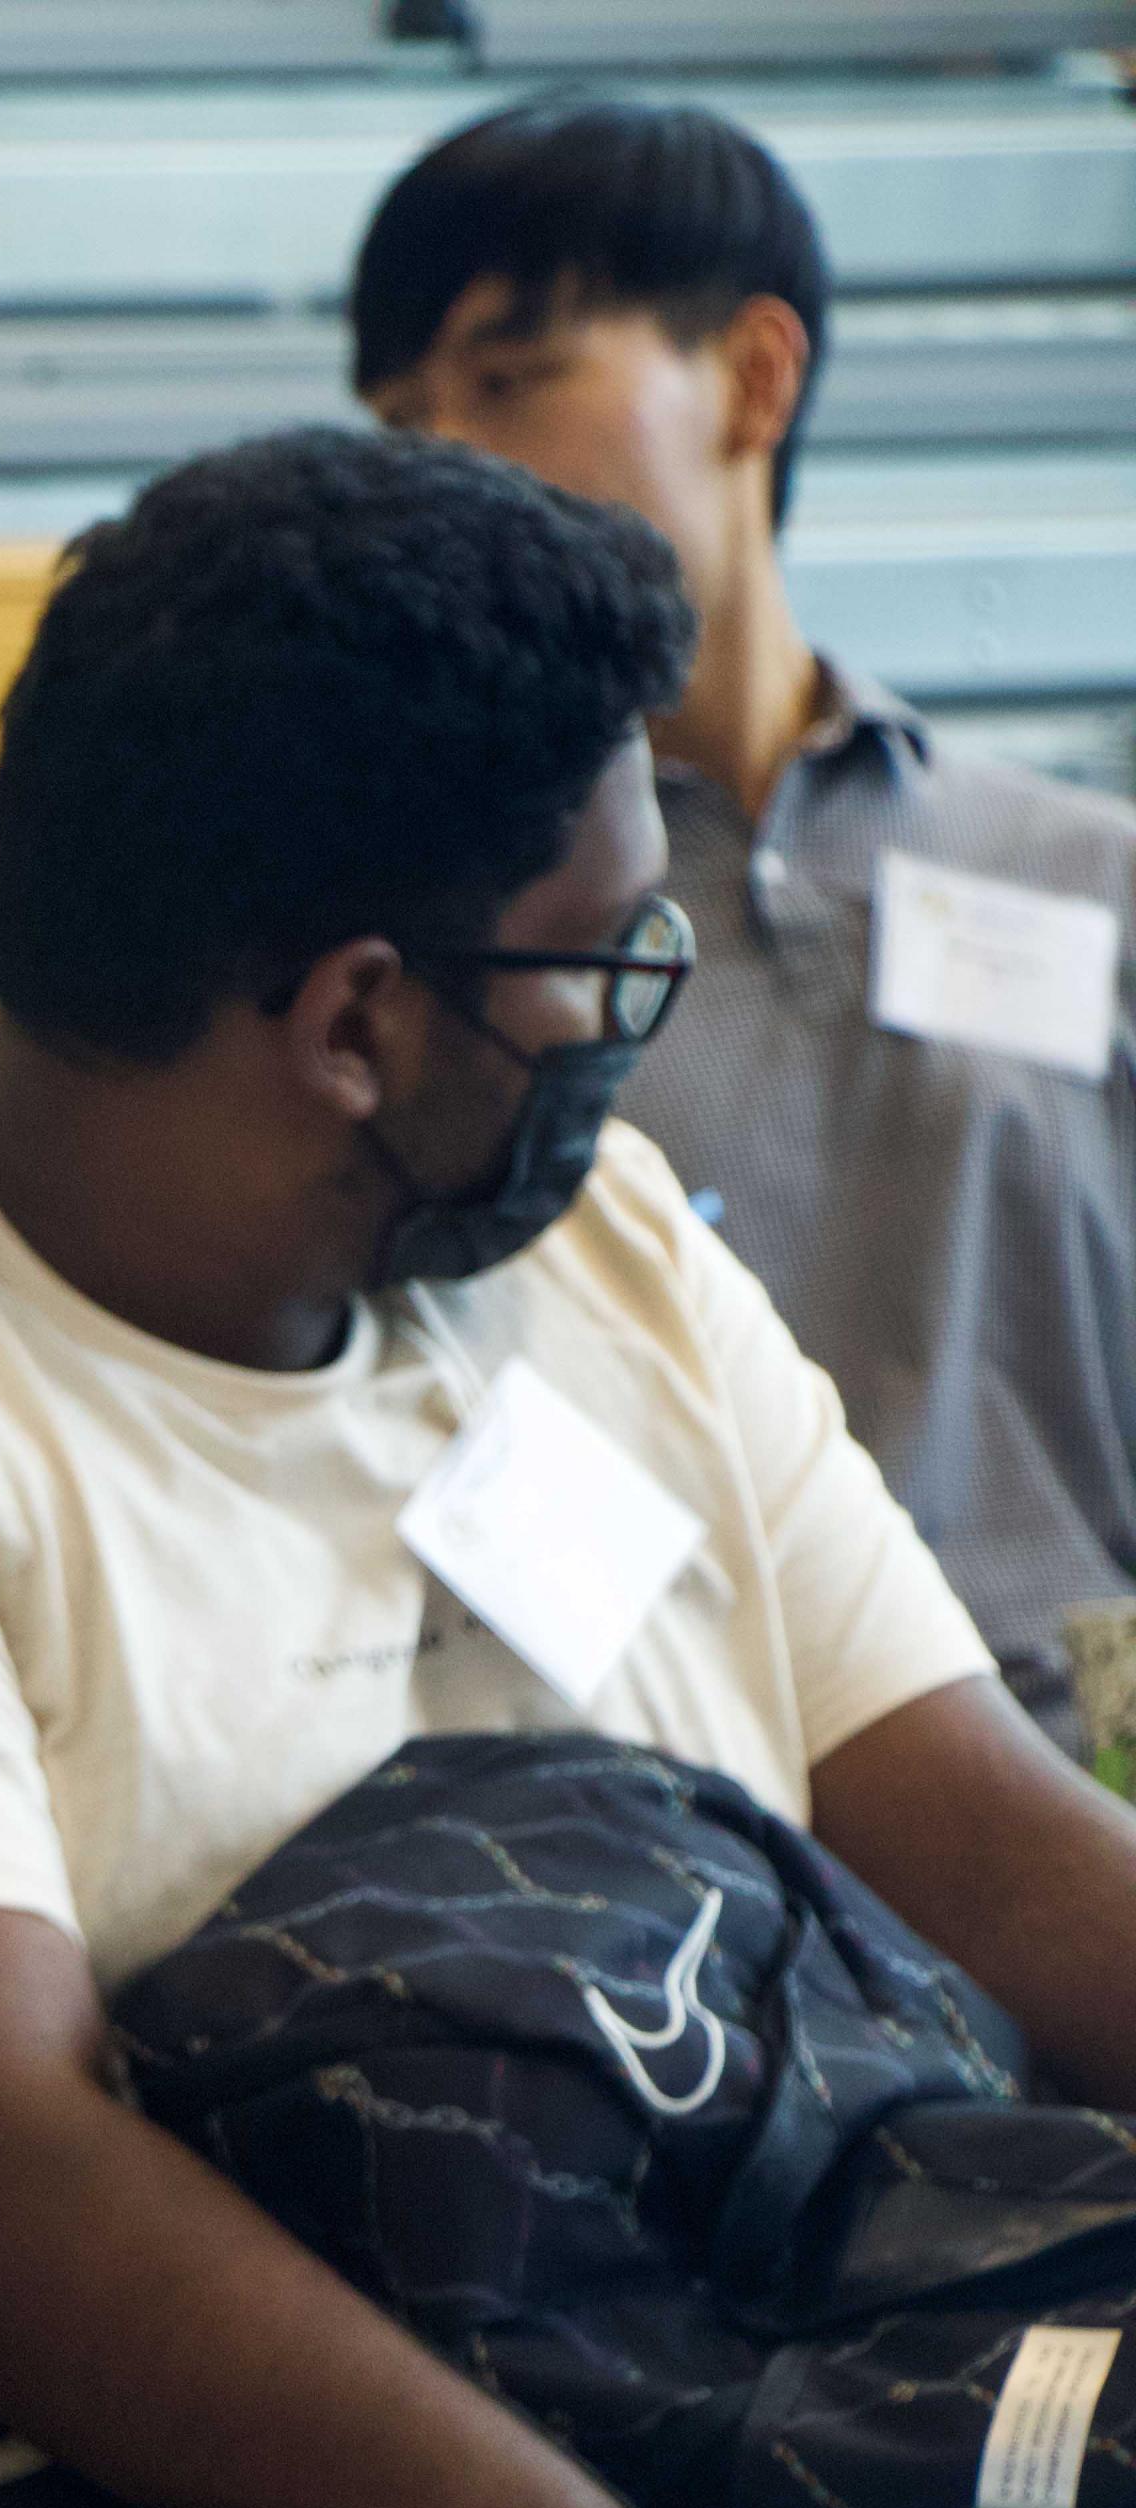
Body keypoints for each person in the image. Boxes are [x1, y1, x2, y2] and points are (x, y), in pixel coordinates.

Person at [0, 428, 1136, 2508]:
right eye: (603, 972)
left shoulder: (591, 1252)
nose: (635, 1026)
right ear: (351, 1018)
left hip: (689, 2410)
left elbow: (990, 1849)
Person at [355, 95, 1136, 1751]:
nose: (444, 465)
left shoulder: (1087, 878)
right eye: (402, 418)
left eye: (507, 380)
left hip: (1091, 1769)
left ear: (755, 378)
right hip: (653, 1798)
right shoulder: (407, 946)